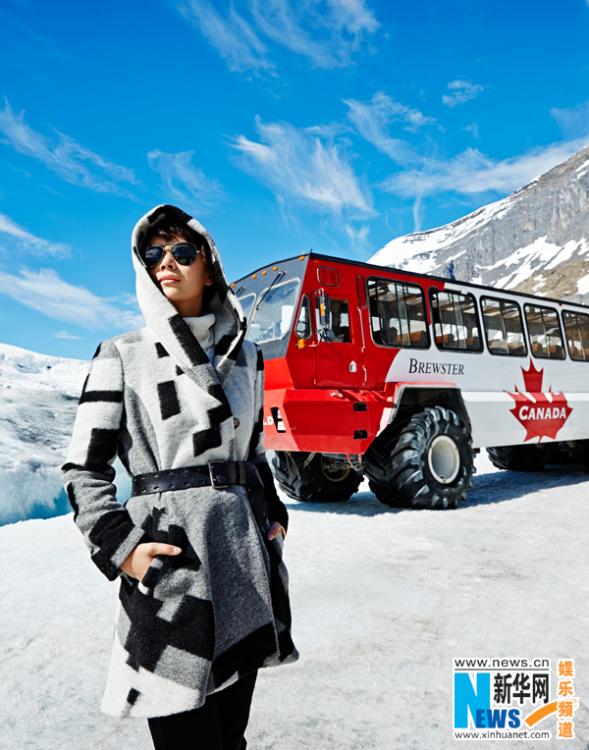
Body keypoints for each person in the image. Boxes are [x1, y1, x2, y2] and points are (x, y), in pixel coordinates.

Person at [60, 204, 299, 749]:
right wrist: (125, 550)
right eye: (154, 254)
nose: (166, 262)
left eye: (182, 251)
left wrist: (275, 519)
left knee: (231, 737)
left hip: (241, 558)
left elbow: (255, 454)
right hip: (172, 565)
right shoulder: (122, 354)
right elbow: (83, 467)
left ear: (209, 268)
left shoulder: (248, 358)